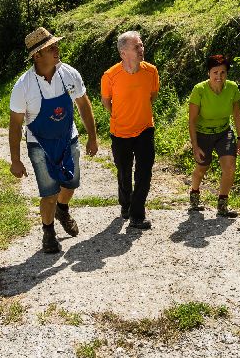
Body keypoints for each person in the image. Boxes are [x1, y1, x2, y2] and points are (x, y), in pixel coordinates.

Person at [9, 27, 98, 254]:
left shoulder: (69, 74)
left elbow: (84, 106)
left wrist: (92, 138)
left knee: (70, 184)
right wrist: (15, 160)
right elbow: (15, 125)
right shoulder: (23, 86)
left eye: (56, 45)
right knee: (48, 193)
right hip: (40, 144)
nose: (57, 50)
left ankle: (63, 208)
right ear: (37, 55)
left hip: (68, 138)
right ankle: (48, 232)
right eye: (51, 48)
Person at [101, 31, 159, 230]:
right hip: (120, 132)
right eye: (137, 47)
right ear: (123, 52)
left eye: (141, 45)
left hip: (145, 129)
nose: (142, 49)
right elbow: (106, 102)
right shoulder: (110, 76)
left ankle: (137, 215)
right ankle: (125, 204)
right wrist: (119, 115)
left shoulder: (151, 71)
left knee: (144, 172)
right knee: (124, 172)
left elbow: (152, 95)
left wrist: (140, 111)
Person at [188, 54, 240, 218]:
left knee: (230, 168)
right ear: (208, 73)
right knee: (202, 168)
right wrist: (195, 146)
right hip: (202, 134)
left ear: (227, 73)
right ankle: (194, 194)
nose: (219, 76)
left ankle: (222, 205)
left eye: (223, 73)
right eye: (215, 72)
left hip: (224, 132)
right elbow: (192, 120)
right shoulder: (199, 90)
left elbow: (237, 115)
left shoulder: (232, 88)